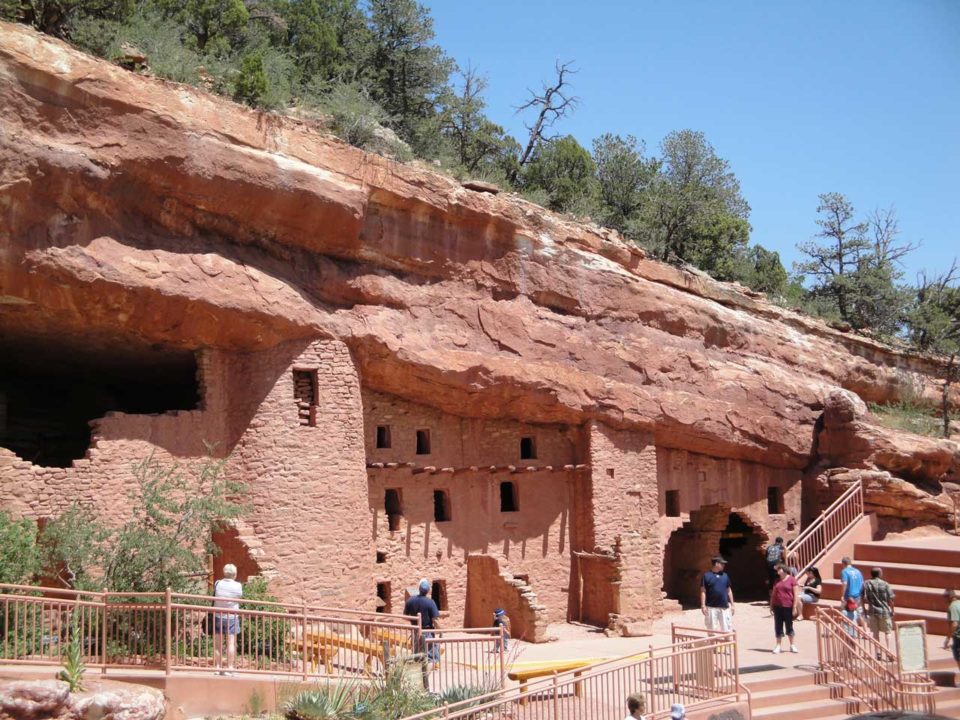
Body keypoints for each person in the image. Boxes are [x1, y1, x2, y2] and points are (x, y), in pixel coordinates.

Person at [212, 563, 243, 675]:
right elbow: (239, 597)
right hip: (232, 616)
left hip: (218, 615)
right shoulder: (238, 586)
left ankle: (218, 667)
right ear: (234, 574)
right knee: (231, 643)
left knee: (218, 643)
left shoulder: (218, 583)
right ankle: (230, 667)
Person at [404, 578, 441, 665]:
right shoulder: (430, 602)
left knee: (417, 653)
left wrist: (414, 621)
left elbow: (405, 616)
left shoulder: (410, 600)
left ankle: (418, 669)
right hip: (427, 631)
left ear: (419, 589)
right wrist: (440, 631)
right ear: (428, 591)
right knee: (430, 654)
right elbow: (435, 619)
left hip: (415, 630)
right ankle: (428, 672)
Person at [862, 567, 896, 651]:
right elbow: (891, 599)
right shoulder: (885, 584)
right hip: (884, 611)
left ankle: (878, 652)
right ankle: (888, 650)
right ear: (880, 574)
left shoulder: (866, 584)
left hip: (872, 611)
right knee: (888, 631)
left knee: (875, 633)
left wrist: (864, 609)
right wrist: (892, 610)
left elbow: (862, 598)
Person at [770, 562, 800, 653]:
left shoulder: (792, 580)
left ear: (784, 570)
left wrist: (794, 607)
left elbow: (796, 594)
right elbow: (773, 594)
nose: (778, 571)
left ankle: (792, 645)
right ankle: (778, 645)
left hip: (788, 606)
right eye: (777, 570)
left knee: (789, 625)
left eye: (779, 569)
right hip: (777, 606)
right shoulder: (776, 581)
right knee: (778, 625)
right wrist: (771, 605)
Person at [700, 556, 735, 631]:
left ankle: (727, 642)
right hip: (711, 608)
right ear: (716, 564)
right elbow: (703, 591)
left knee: (727, 629)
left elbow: (729, 590)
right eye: (722, 564)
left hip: (724, 607)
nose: (724, 565)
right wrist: (703, 605)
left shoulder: (725, 576)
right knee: (711, 629)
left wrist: (732, 605)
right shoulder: (706, 576)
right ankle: (712, 642)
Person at [840, 556, 865, 634]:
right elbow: (862, 583)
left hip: (849, 596)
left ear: (843, 564)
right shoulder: (858, 571)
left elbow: (844, 583)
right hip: (857, 596)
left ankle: (843, 630)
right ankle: (865, 631)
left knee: (843, 612)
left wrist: (842, 595)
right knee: (859, 613)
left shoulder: (844, 571)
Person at [943, 589, 960, 672]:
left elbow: (954, 624)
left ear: (950, 597)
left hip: (958, 637)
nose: (944, 600)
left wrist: (948, 639)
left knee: (958, 657)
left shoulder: (952, 606)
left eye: (945, 597)